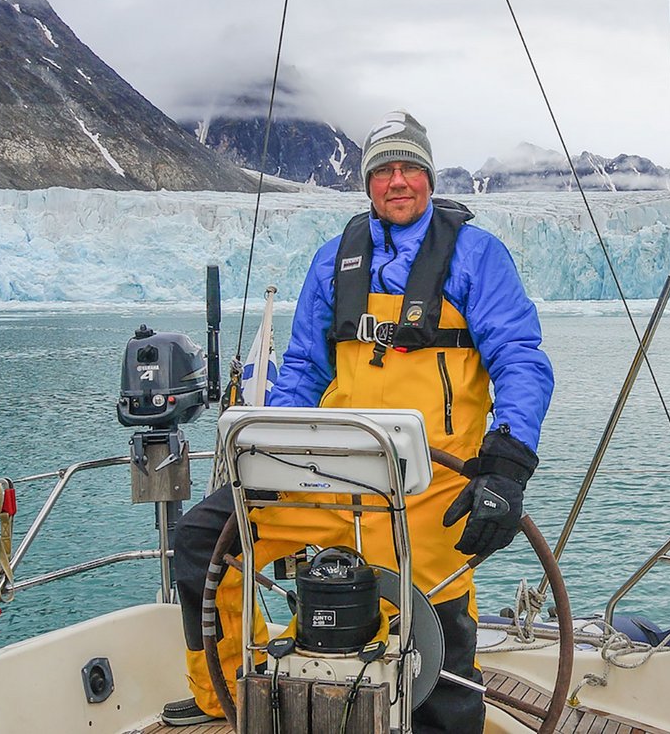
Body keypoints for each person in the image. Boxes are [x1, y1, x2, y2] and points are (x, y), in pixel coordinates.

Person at [163, 110, 554, 732]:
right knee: (205, 544)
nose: (398, 181)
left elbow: (520, 361)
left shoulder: (477, 257)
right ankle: (231, 696)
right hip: (330, 474)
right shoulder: (334, 260)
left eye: (410, 169)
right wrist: (263, 453)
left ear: (428, 176)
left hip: (434, 484)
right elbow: (301, 371)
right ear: (368, 183)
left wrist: (506, 467)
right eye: (384, 171)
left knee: (434, 631)